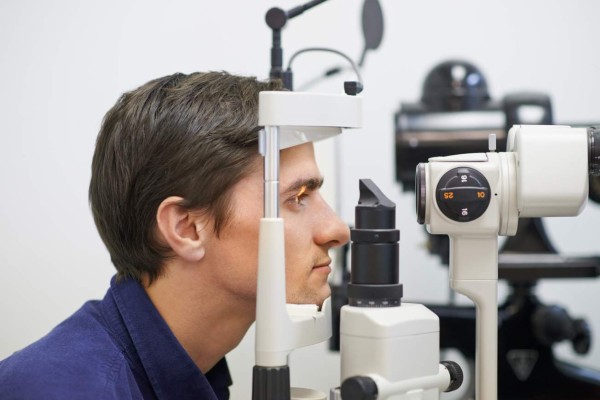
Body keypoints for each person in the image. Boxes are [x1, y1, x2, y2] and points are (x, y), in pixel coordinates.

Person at [0, 71, 350, 399]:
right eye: (297, 198)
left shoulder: (198, 373)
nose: (337, 231)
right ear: (186, 228)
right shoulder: (63, 390)